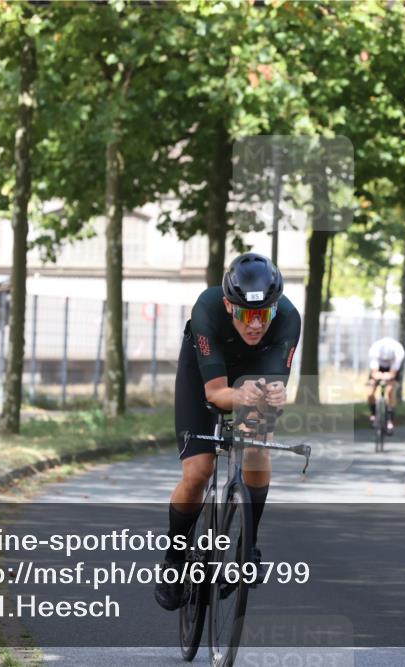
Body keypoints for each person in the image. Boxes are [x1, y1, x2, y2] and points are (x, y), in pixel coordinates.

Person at [155, 252, 301, 611]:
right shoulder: (207, 308)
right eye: (246, 314)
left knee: (257, 445)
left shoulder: (288, 319)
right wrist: (238, 395)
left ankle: (246, 546)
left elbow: (268, 400)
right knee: (198, 471)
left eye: (264, 313)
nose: (256, 325)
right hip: (206, 374)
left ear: (275, 307)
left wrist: (274, 397)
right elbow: (215, 393)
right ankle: (174, 558)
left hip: (256, 368)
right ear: (227, 305)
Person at [366, 336, 405, 434]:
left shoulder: (399, 352)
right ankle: (373, 414)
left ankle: (390, 419)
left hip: (392, 369)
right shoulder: (374, 350)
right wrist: (377, 376)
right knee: (370, 391)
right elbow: (374, 372)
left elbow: (393, 372)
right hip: (378, 367)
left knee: (390, 390)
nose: (386, 361)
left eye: (388, 359)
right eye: (384, 359)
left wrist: (390, 376)